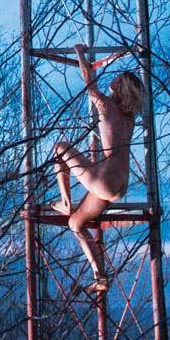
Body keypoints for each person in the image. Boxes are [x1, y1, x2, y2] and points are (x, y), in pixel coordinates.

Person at [47, 46, 143, 289]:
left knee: (59, 147)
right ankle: (100, 276)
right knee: (75, 224)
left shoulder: (108, 107)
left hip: (105, 178)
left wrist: (80, 54)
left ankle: (66, 202)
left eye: (119, 78)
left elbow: (89, 84)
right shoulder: (129, 116)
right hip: (120, 182)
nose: (115, 77)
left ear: (121, 86)